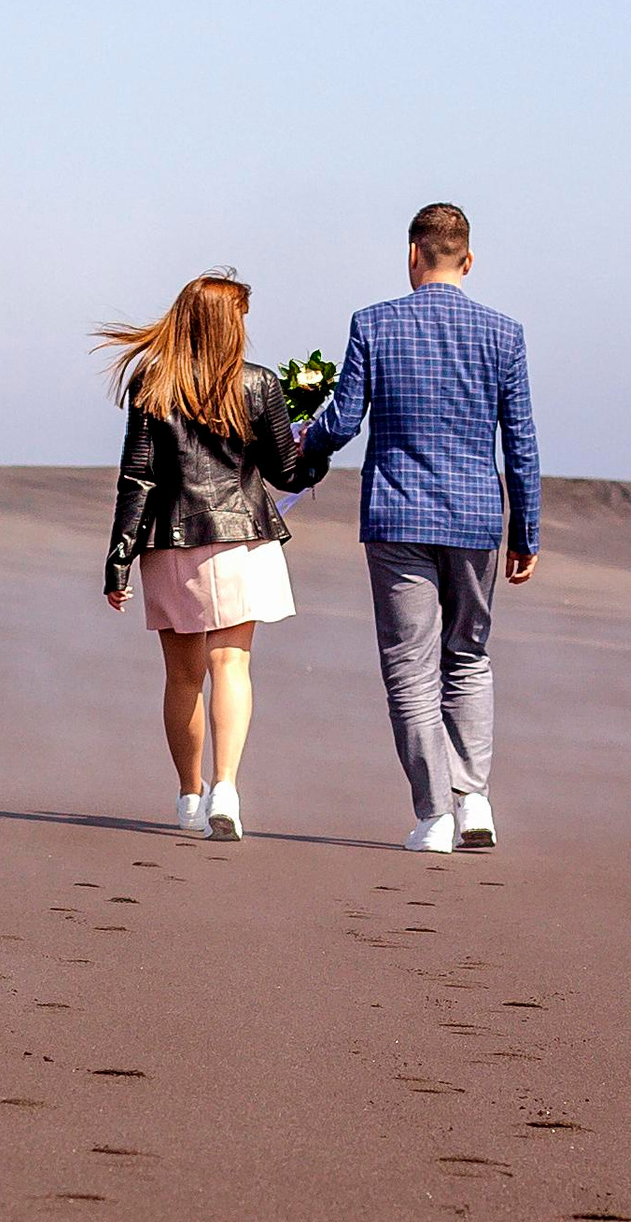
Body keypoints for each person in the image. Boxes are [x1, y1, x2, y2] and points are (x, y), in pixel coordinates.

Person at [296, 204, 539, 853]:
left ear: (412, 255)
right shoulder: (504, 334)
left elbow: (343, 421)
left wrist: (297, 445)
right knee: (470, 656)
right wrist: (528, 532)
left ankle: (435, 813)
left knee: (410, 666)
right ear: (468, 258)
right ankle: (475, 798)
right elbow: (520, 443)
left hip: (398, 514)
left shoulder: (374, 323)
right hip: (477, 519)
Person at [99, 271, 323, 843]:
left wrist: (118, 559)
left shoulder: (154, 384)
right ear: (230, 323)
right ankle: (227, 787)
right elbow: (286, 473)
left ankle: (189, 795)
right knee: (232, 665)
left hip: (170, 542)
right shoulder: (259, 385)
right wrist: (316, 447)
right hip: (241, 538)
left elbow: (137, 478)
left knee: (181, 677)